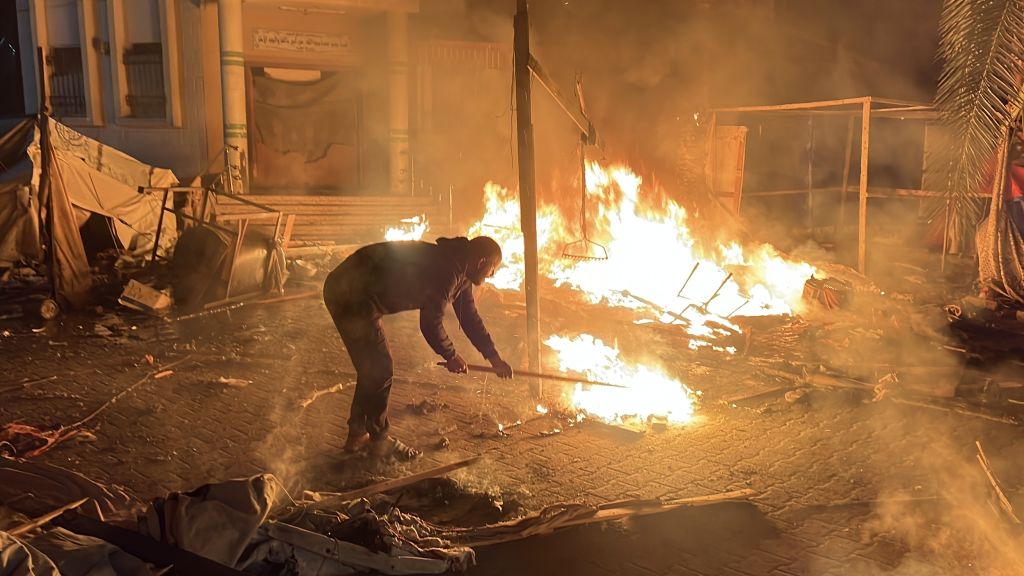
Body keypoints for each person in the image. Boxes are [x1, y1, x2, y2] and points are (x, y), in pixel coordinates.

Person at [323, 236, 514, 460]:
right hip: (348, 293)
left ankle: (358, 435)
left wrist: (494, 357)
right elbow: (430, 323)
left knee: (373, 369)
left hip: (360, 294)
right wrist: (451, 355)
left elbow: (470, 318)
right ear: (481, 262)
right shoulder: (448, 269)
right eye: (493, 269)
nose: (493, 275)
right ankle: (377, 441)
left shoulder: (461, 272)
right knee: (379, 368)